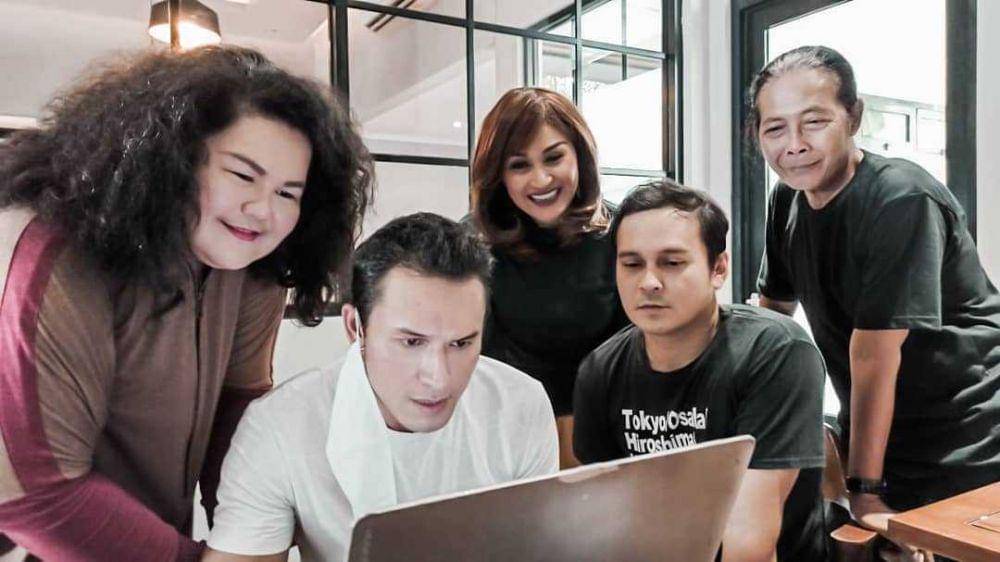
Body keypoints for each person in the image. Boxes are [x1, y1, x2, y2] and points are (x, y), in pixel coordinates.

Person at [0, 45, 373, 561]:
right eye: (243, 175)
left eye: (288, 193)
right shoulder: (58, 252)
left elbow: (238, 408)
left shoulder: (257, 264)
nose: (262, 210)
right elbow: (35, 492)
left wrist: (254, 538)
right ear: (171, 162)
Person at [750, 45, 1000, 559]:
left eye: (814, 122)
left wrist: (864, 490)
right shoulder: (787, 199)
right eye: (775, 128)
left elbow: (873, 357)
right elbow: (770, 319)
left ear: (854, 117)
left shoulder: (900, 197)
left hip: (968, 435)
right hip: (882, 437)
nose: (794, 145)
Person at [203, 213, 559, 562]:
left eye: (461, 343)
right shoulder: (281, 426)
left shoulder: (520, 406)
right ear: (355, 327)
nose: (439, 378)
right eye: (411, 342)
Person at [573, 180, 827, 562]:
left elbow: (749, 547)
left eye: (672, 263)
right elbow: (604, 520)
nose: (649, 282)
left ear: (718, 268)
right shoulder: (600, 371)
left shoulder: (776, 353)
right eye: (632, 264)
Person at [470, 87, 629, 468]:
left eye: (554, 157)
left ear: (580, 155)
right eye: (519, 165)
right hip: (509, 442)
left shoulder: (624, 232)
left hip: (611, 437)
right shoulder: (470, 248)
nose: (540, 179)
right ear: (498, 175)